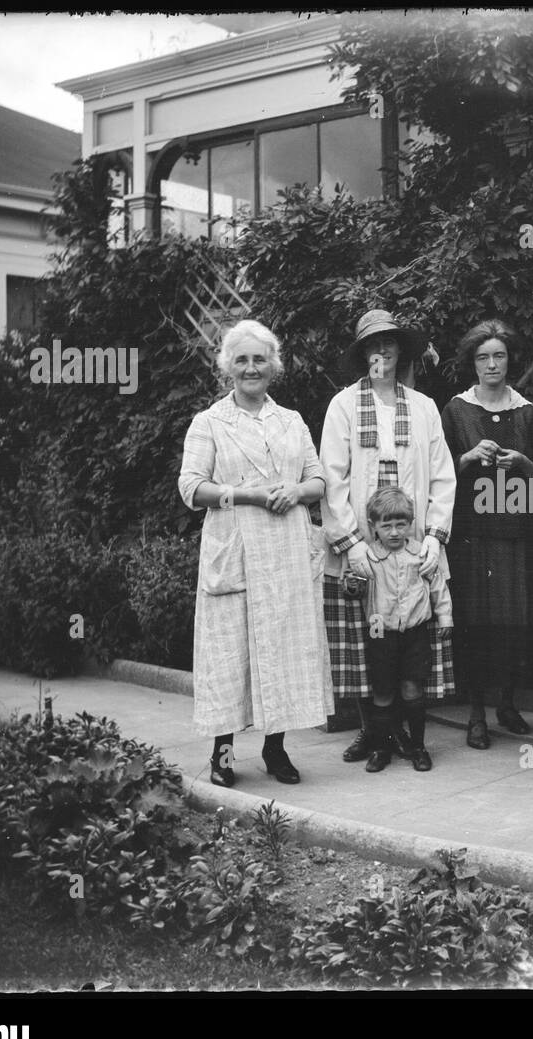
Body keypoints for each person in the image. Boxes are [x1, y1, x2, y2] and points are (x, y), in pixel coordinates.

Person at [178, 319, 333, 787]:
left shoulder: (291, 421)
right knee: (229, 654)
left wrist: (296, 490)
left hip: (286, 550)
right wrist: (248, 495)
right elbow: (191, 488)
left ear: (273, 366)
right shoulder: (209, 422)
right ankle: (222, 754)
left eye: (259, 360)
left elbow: (319, 480)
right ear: (228, 366)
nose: (251, 368)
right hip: (236, 549)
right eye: (242, 360)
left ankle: (275, 749)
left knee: (282, 648)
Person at [320, 309, 457, 766]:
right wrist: (352, 543)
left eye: (389, 342)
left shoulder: (423, 407)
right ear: (364, 354)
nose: (382, 351)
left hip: (411, 543)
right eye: (373, 345)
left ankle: (405, 735)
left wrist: (434, 537)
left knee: (408, 643)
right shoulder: (343, 405)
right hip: (360, 546)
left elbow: (442, 476)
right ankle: (373, 733)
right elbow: (333, 478)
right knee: (367, 646)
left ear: (401, 350)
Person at [441, 319, 533, 748]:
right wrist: (468, 456)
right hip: (473, 535)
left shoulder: (526, 411)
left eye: (499, 356)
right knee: (477, 621)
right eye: (483, 357)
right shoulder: (456, 409)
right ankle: (476, 713)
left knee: (516, 618)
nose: (492, 364)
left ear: (510, 360)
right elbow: (438, 472)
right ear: (472, 362)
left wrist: (523, 464)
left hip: (517, 533)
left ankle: (508, 703)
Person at [359, 486, 454, 772]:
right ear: (373, 526)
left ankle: (418, 747)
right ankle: (381, 749)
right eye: (386, 526)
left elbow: (437, 585)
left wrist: (445, 616)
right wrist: (352, 584)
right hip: (380, 631)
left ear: (411, 523)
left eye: (400, 525)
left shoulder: (420, 554)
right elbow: (354, 586)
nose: (394, 532)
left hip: (415, 630)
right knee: (383, 690)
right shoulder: (368, 557)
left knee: (412, 688)